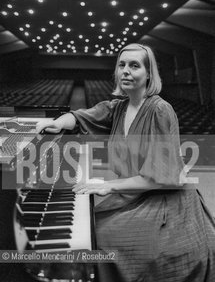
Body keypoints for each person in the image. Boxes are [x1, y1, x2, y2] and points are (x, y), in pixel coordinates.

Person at [36, 44, 215, 282]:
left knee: (102, 234)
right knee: (88, 224)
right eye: (122, 65)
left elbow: (160, 179)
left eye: (134, 65)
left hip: (166, 201)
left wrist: (109, 186)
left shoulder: (160, 110)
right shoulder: (118, 107)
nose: (126, 71)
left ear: (149, 73)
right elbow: (80, 116)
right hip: (134, 193)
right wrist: (59, 123)